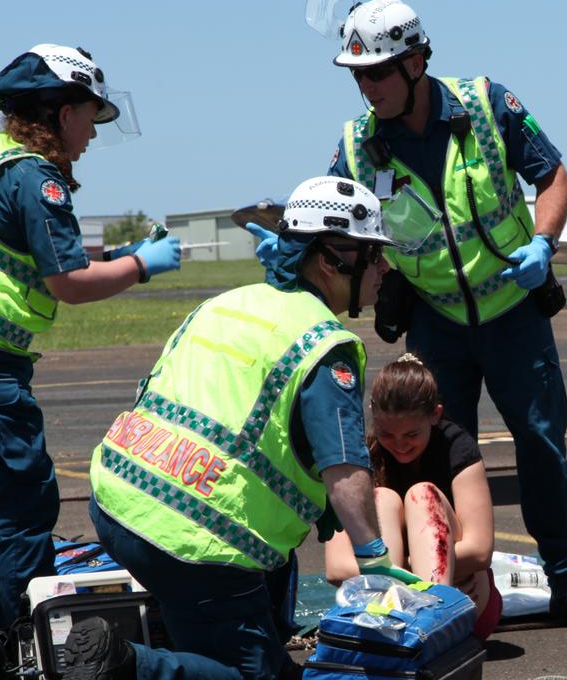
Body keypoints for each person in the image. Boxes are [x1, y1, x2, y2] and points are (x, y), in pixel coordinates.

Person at [321, 0, 567, 631]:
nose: (366, 87)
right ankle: (433, 590)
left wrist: (544, 242)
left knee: (543, 447)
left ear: (416, 62)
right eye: (357, 75)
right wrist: (296, 246)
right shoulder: (358, 147)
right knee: (422, 457)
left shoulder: (486, 105)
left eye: (375, 72)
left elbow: (553, 174)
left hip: (515, 312)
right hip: (435, 322)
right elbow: (337, 226)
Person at [62, 177, 417, 680]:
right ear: (329, 261)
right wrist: (373, 556)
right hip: (195, 540)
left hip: (118, 503)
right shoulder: (324, 345)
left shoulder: (229, 301)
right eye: (373, 256)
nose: (384, 269)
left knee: (248, 602)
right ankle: (123, 666)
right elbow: (344, 466)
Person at [0, 44, 181, 679]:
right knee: (20, 507)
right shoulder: (35, 174)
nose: (91, 133)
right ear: (58, 113)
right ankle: (34, 658)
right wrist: (142, 266)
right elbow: (70, 282)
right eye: (89, 116)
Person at [325, 352, 501, 639]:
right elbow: (335, 567)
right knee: (382, 498)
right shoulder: (359, 456)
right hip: (390, 608)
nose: (399, 445)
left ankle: (434, 623)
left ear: (435, 415)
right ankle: (399, 623)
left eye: (411, 434)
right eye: (386, 434)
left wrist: (399, 570)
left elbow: (480, 551)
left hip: (462, 597)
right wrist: (411, 570)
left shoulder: (457, 447)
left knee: (423, 495)